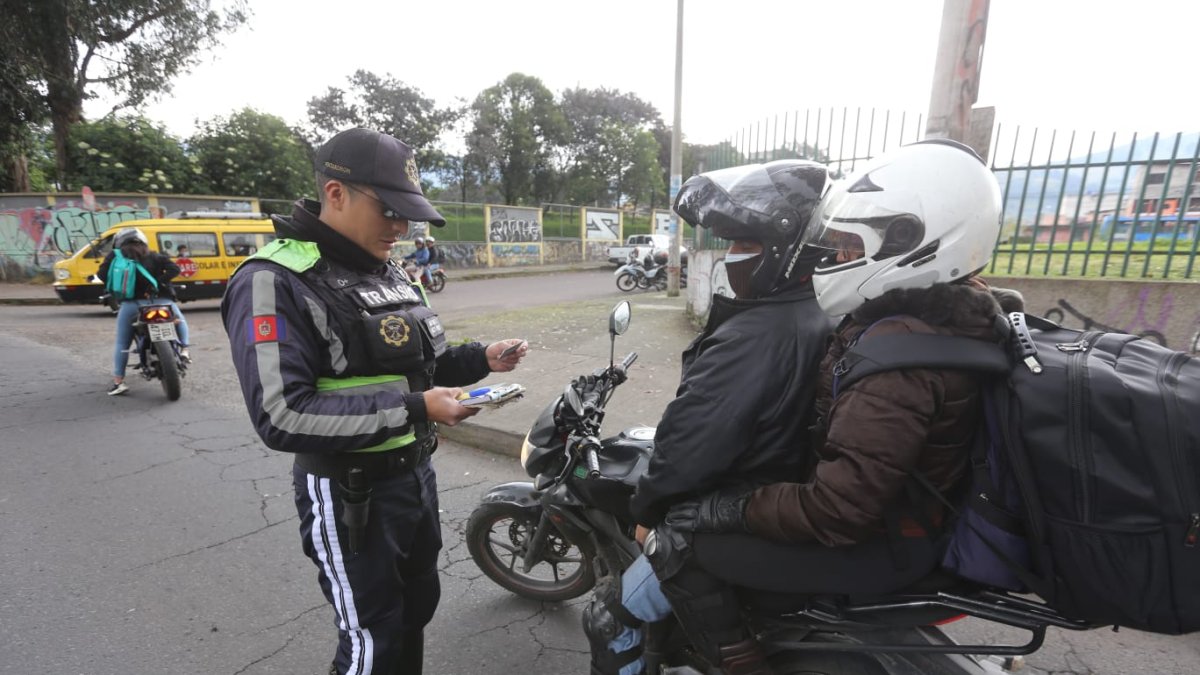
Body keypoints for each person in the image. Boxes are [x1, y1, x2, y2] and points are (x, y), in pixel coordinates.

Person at [660, 140, 1019, 670]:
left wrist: (729, 508)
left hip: (889, 542)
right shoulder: (942, 318)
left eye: (851, 247)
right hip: (908, 517)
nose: (838, 260)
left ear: (912, 242)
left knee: (684, 547)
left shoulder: (903, 359)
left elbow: (840, 510)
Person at [220, 128, 528, 675]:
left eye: (407, 214)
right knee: (372, 637)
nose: (401, 228)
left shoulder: (390, 270)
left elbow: (422, 367)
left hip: (414, 477)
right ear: (335, 193)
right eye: (388, 210)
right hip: (349, 493)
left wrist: (484, 358)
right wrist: (418, 408)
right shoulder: (273, 280)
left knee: (415, 609)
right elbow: (280, 415)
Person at [581, 160, 834, 675]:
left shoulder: (754, 337)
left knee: (608, 618)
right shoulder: (820, 310)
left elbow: (691, 446)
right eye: (728, 242)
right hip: (783, 489)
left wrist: (647, 509)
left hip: (733, 501)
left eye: (745, 243)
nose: (731, 255)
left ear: (788, 251)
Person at [98, 227, 191, 396]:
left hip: (132, 305)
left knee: (122, 342)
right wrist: (158, 282)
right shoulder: (155, 255)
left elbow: (102, 275)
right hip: (162, 302)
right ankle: (184, 349)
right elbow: (175, 269)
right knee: (180, 320)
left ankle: (119, 381)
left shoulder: (115, 257)